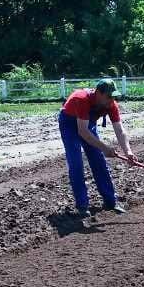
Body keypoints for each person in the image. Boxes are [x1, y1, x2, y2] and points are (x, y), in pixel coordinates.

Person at [58, 79, 136, 221]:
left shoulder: (110, 104)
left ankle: (111, 202)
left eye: (113, 96)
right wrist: (105, 148)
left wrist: (128, 152)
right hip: (69, 123)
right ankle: (82, 206)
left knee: (98, 160)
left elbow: (119, 130)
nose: (111, 100)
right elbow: (82, 132)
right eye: (109, 96)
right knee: (76, 163)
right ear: (98, 93)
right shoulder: (81, 99)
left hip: (87, 124)